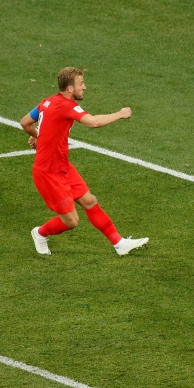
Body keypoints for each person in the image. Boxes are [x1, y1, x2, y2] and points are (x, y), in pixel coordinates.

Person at [21, 67, 149, 257]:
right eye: (81, 84)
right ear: (70, 88)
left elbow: (25, 122)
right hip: (48, 173)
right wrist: (120, 114)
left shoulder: (47, 102)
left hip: (62, 165)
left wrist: (38, 137)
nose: (85, 87)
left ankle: (119, 243)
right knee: (71, 221)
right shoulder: (67, 106)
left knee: (89, 201)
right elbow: (93, 122)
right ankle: (40, 233)